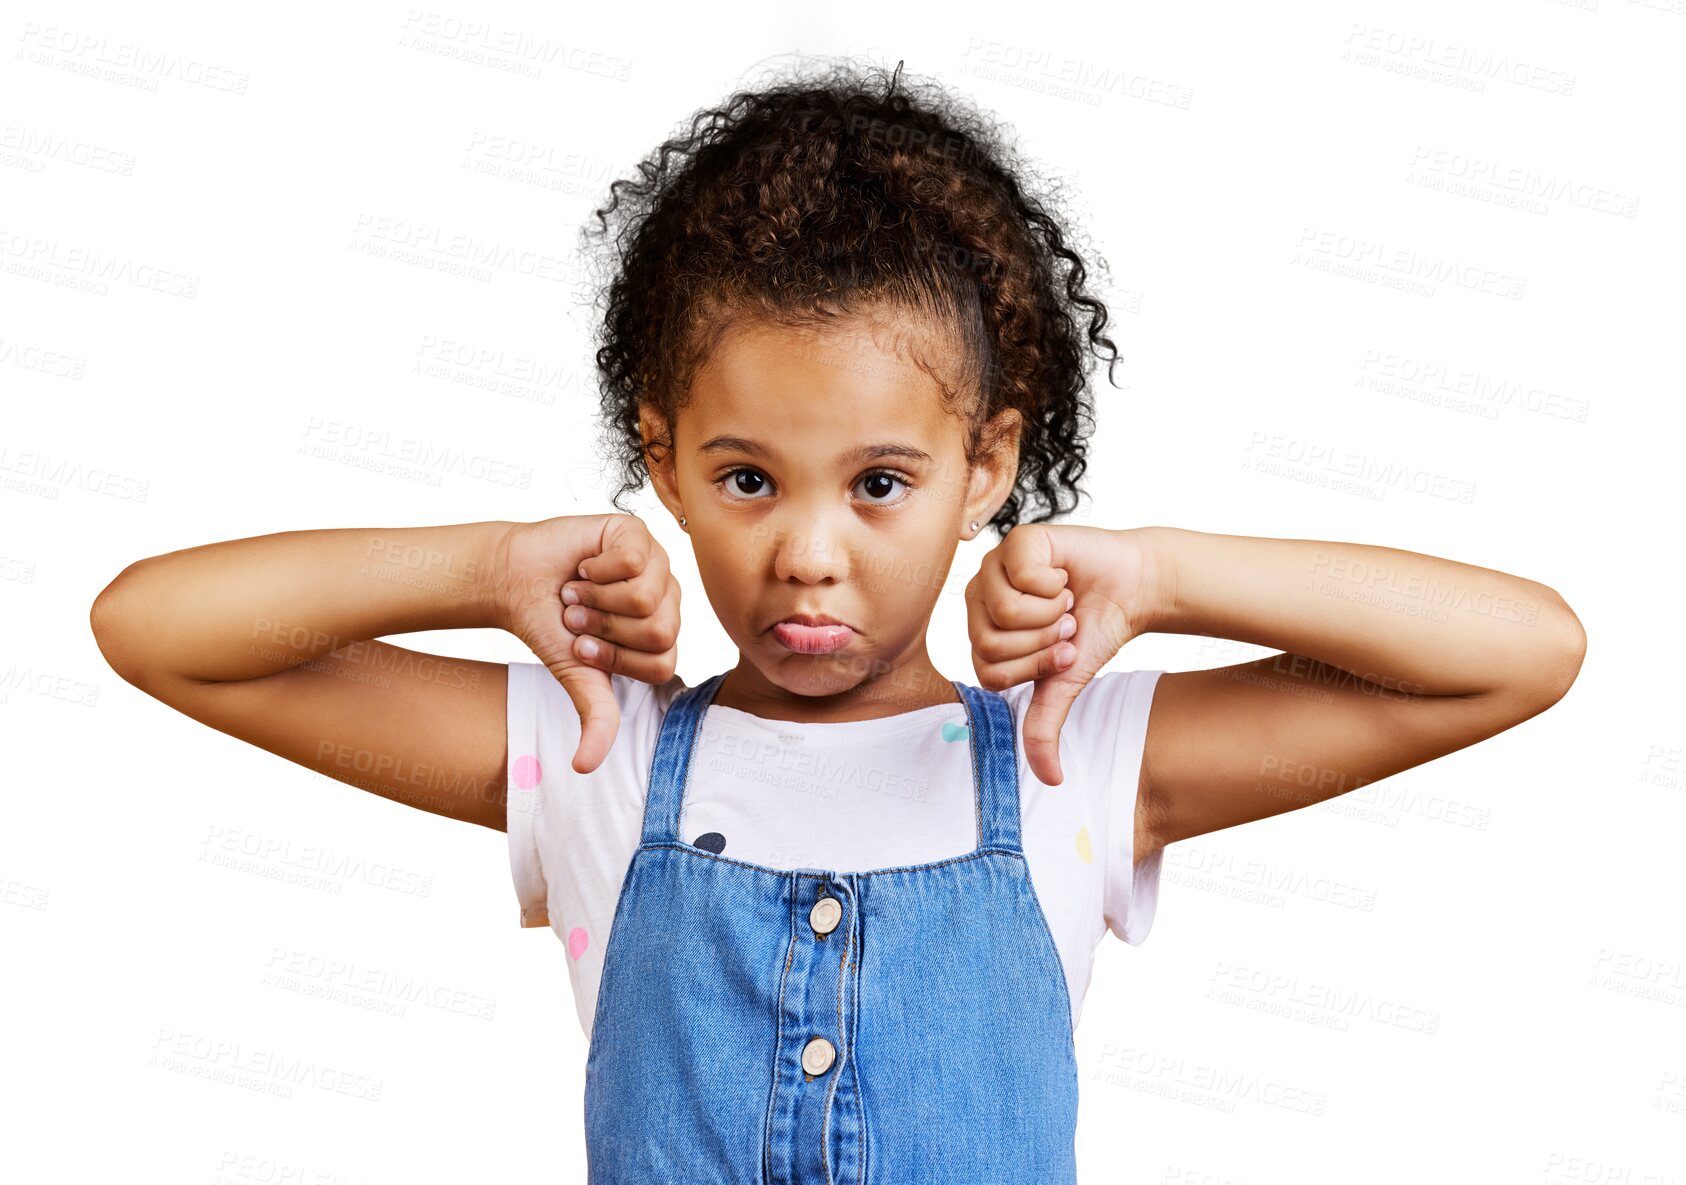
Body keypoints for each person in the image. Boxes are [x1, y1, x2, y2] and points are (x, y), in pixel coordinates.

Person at [90, 57, 1586, 1184]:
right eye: (746, 477)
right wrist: (486, 566)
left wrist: (1163, 574)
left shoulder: (1073, 757)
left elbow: (1517, 652)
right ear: (660, 454)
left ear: (986, 466)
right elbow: (158, 626)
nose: (808, 552)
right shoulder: (598, 746)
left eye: (879, 481)